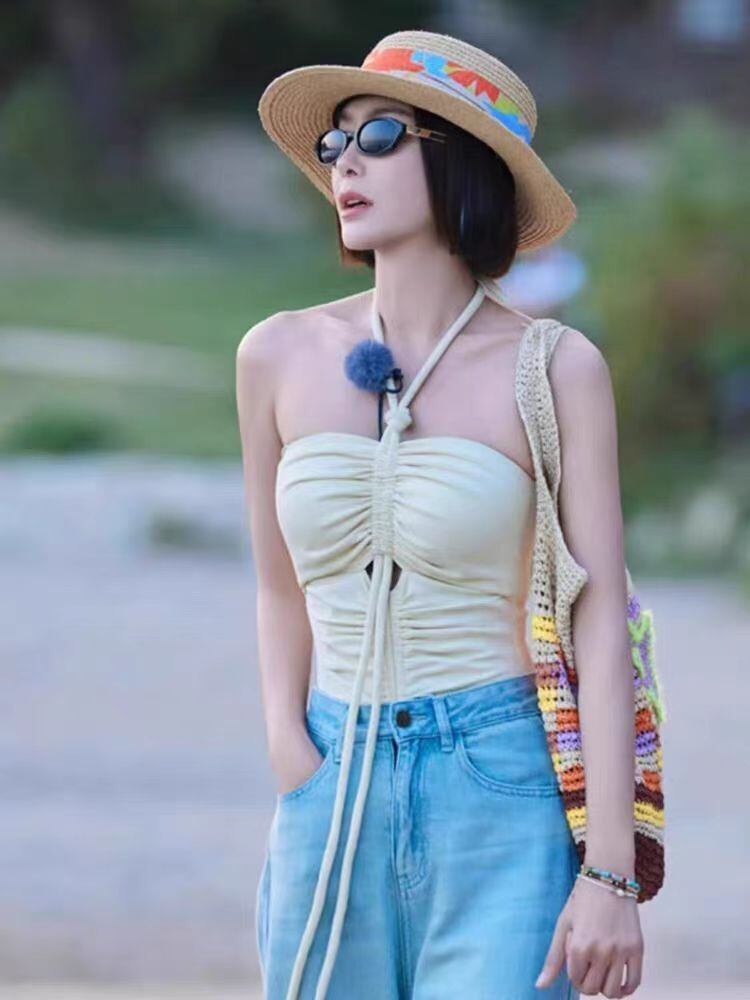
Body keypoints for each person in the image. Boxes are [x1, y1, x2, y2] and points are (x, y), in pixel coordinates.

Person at [237, 29, 644, 1000]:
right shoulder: (275, 356)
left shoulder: (555, 368)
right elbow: (276, 586)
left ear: (462, 162)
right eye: (334, 143)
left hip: (502, 779)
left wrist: (610, 871)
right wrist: (290, 747)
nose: (346, 163)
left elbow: (601, 621)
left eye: (380, 135)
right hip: (330, 776)